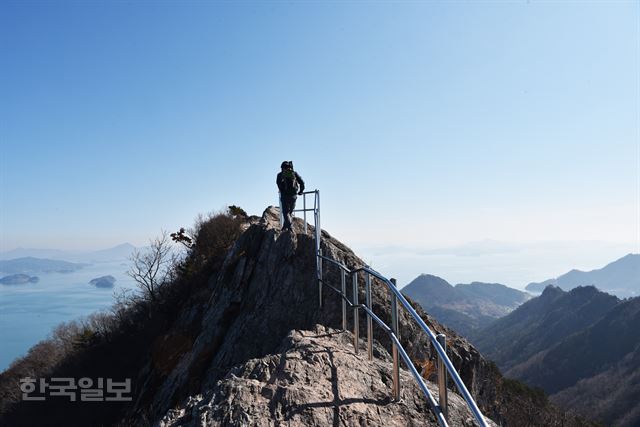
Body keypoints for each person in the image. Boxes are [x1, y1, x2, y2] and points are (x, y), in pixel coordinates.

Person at [276, 161, 305, 232]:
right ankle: (285, 227)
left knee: (286, 213)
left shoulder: (280, 175)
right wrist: (300, 191)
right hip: (293, 196)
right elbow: (302, 182)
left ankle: (290, 227)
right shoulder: (294, 173)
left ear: (282, 167)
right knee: (289, 213)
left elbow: (278, 184)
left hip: (284, 196)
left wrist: (282, 190)